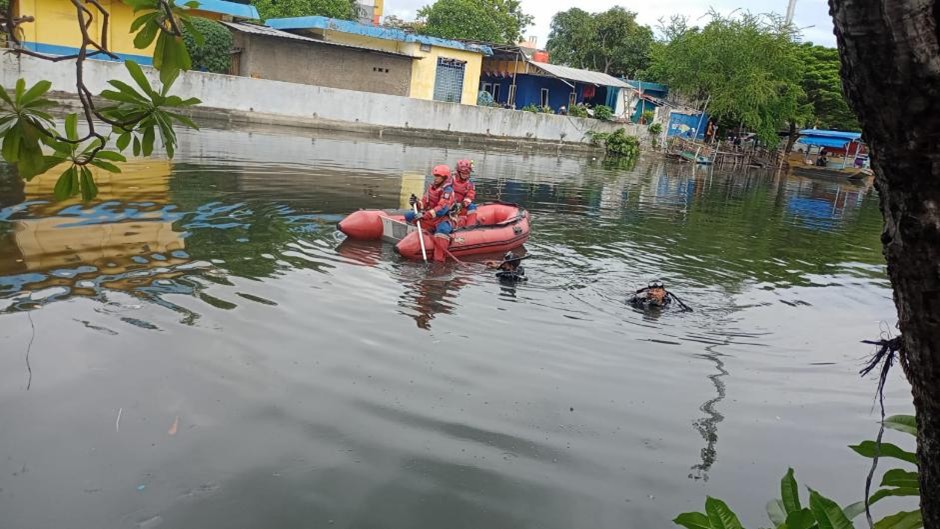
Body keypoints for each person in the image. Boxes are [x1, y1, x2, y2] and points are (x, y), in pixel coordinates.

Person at [405, 164, 456, 262]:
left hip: (444, 218)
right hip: (432, 216)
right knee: (409, 216)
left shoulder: (447, 191)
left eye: (438, 177)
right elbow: (424, 203)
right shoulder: (431, 188)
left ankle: (439, 260)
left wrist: (425, 215)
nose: (436, 179)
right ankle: (410, 242)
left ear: (444, 178)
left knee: (442, 230)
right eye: (435, 176)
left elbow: (442, 209)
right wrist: (416, 203)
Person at [451, 159, 478, 226]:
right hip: (449, 203)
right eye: (463, 173)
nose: (465, 175)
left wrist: (463, 204)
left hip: (461, 206)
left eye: (467, 173)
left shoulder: (470, 184)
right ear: (458, 172)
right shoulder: (450, 180)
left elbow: (470, 195)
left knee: (472, 206)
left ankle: (470, 226)